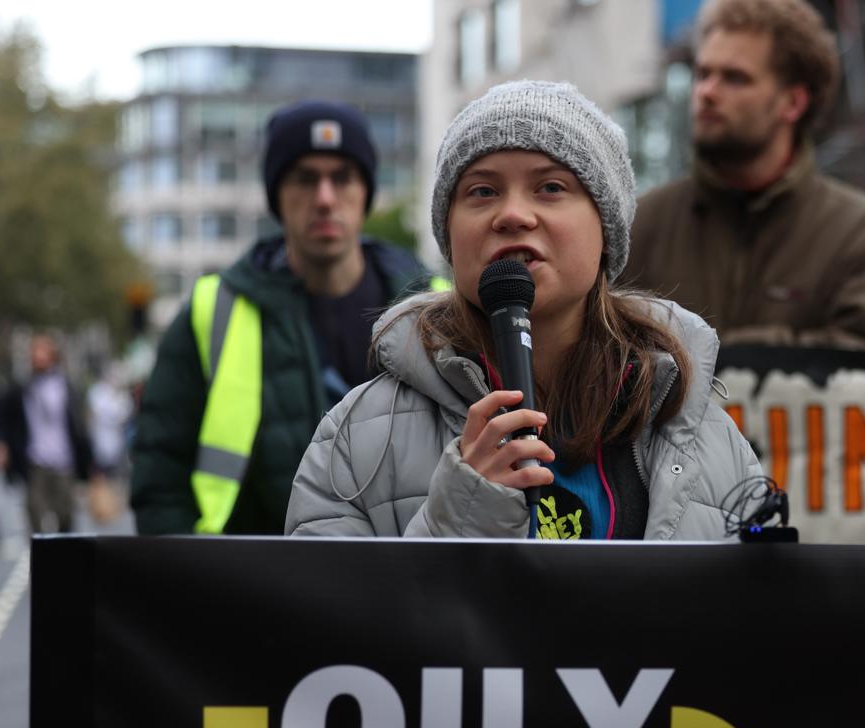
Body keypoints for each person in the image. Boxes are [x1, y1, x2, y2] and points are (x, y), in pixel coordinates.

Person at [287, 80, 760, 539]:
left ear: (607, 229)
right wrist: (461, 516)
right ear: (449, 233)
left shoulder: (704, 433)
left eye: (551, 187)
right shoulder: (359, 436)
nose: (512, 215)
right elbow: (329, 615)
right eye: (482, 192)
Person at [131, 101, 448, 535]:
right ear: (276, 194)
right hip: (248, 586)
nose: (324, 198)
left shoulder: (436, 309)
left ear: (367, 191)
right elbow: (160, 474)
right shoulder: (214, 309)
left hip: (404, 582)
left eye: (342, 178)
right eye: (305, 178)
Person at [630, 0, 865, 352]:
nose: (707, 93)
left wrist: (695, 354)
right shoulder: (639, 229)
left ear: (793, 103)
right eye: (703, 74)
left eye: (735, 78)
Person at [0, 333, 91, 536]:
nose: (38, 357)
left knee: (66, 515)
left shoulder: (66, 387)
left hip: (63, 461)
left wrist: (89, 463)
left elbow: (79, 425)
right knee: (35, 515)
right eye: (34, 353)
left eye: (43, 352)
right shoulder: (23, 388)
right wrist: (3, 446)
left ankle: (64, 559)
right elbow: (6, 419)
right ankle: (43, 561)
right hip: (34, 461)